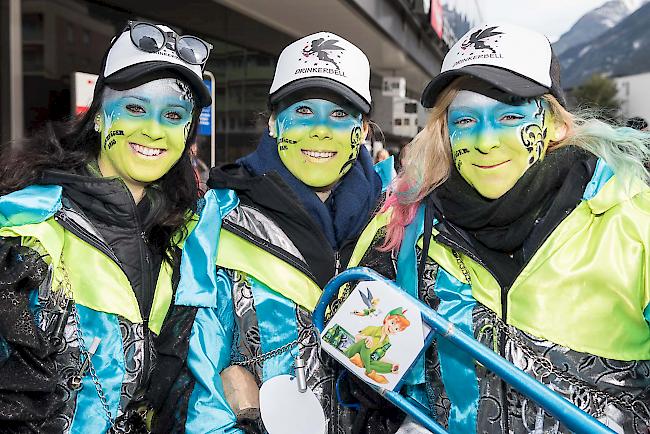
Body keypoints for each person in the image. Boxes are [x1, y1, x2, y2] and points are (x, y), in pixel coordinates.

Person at [345, 23, 650, 433]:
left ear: (557, 124)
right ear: (446, 132)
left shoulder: (633, 222)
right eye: (466, 120)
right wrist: (369, 375)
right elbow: (365, 372)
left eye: (509, 115)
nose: (486, 140)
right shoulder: (404, 228)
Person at [160, 31, 395, 433]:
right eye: (303, 111)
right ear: (273, 123)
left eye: (340, 114)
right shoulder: (217, 222)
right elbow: (197, 395)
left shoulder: (398, 224)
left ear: (364, 129)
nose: (321, 130)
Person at [0, 20, 212, 432]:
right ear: (98, 117)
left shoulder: (185, 236)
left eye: (173, 115)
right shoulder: (24, 233)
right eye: (135, 108)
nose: (153, 130)